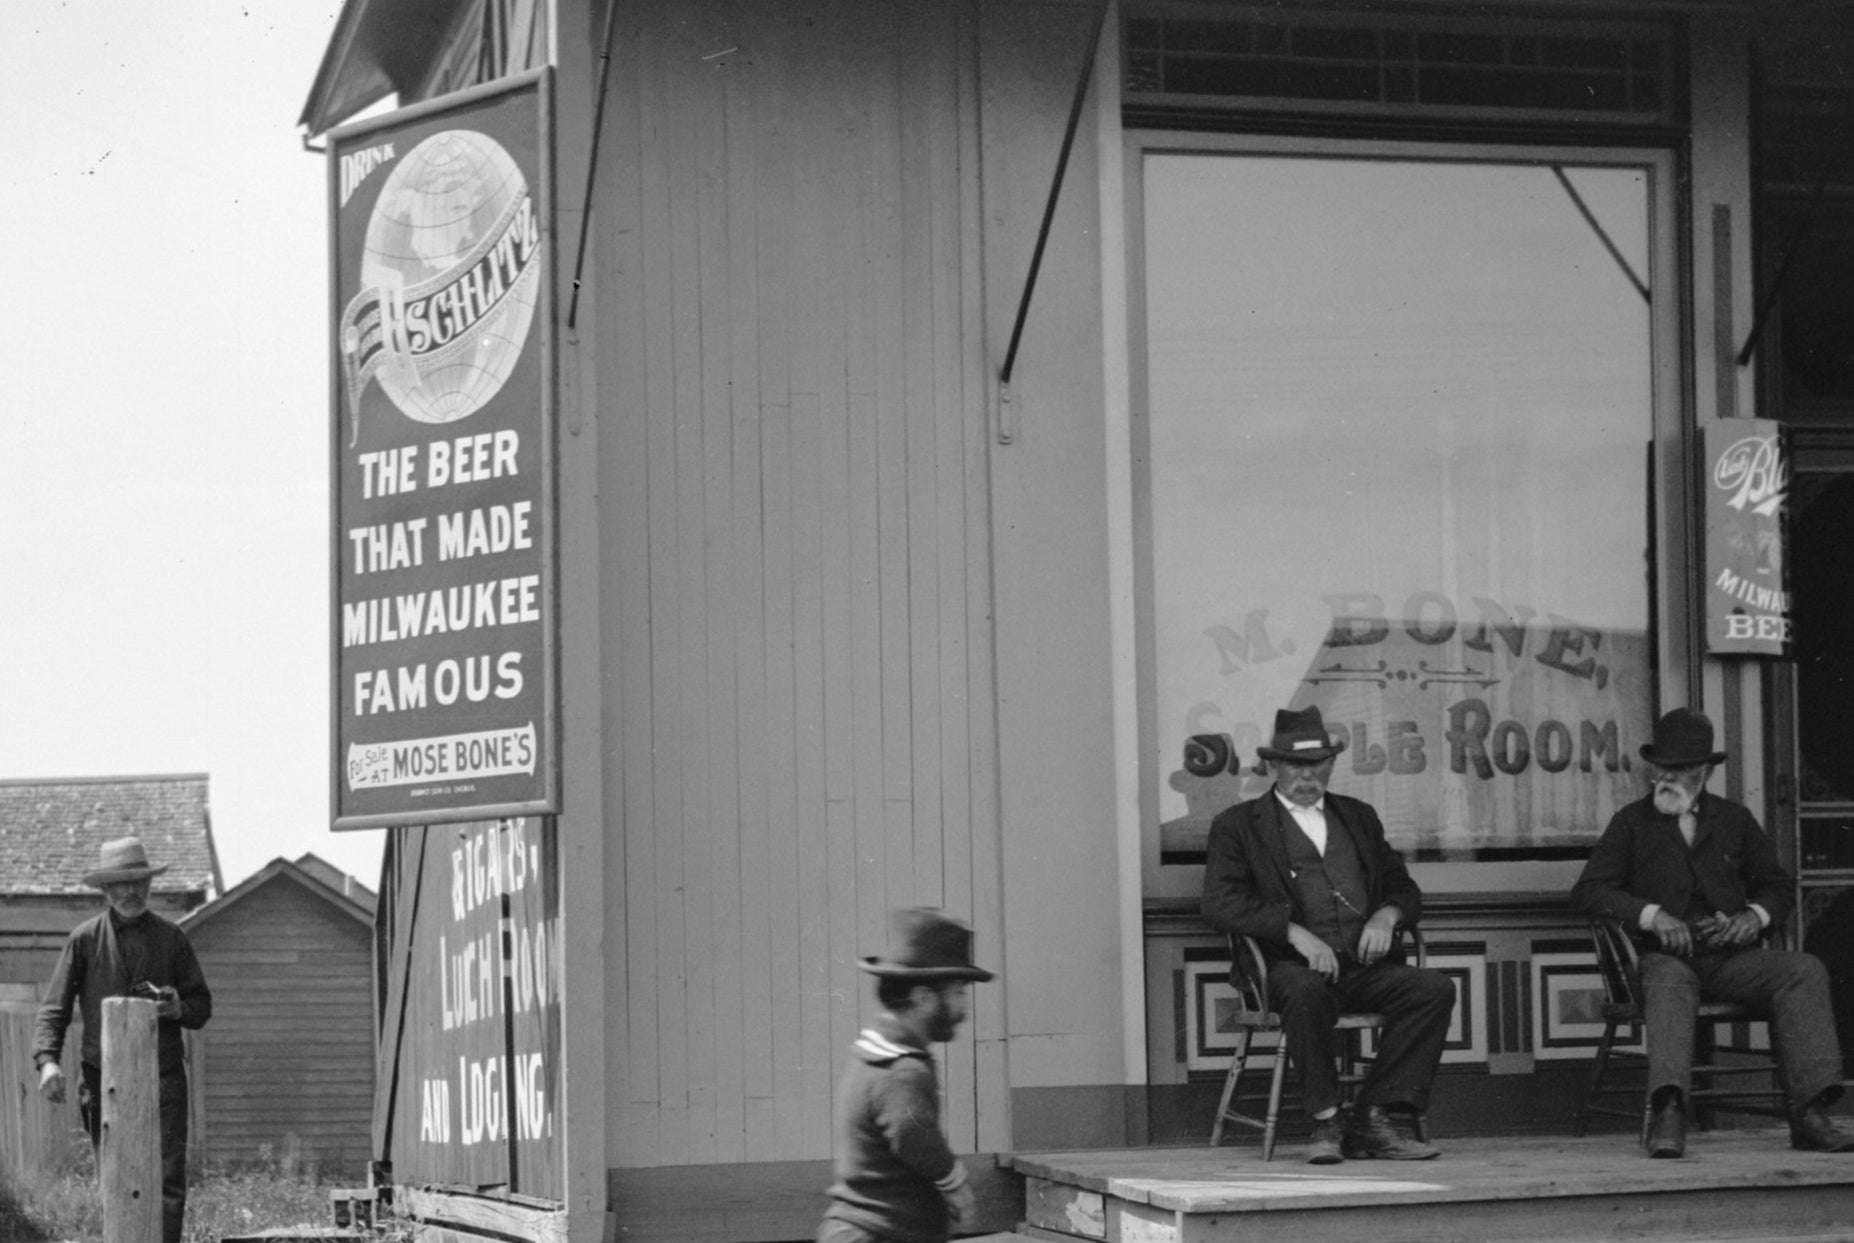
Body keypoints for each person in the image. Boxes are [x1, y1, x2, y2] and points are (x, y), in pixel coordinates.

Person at [1571, 707, 1854, 1158]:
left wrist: (1752, 918)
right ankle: (1668, 1111)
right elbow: (1589, 892)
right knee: (1669, 982)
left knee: (1803, 970)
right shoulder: (1631, 823)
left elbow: (1777, 887)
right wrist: (1651, 915)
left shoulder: (1734, 820)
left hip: (1728, 960)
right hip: (1659, 959)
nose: (1666, 776)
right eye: (1661, 766)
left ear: (1704, 771)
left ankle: (1810, 1115)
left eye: (1679, 768)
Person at [1202, 705, 1454, 1163]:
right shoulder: (1239, 826)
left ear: (1331, 765)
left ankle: (1373, 1118)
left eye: (1317, 765)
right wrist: (1293, 931)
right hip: (1287, 969)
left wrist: (1387, 916)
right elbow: (1220, 903)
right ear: (1273, 767)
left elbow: (1403, 887)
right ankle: (1325, 1122)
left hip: (1364, 968)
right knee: (1303, 990)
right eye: (1296, 765)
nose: (1307, 775)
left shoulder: (1358, 817)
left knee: (1433, 989)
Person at [35, 837, 213, 1243]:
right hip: (102, 1082)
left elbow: (202, 1005)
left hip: (163, 1078)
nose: (132, 892)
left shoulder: (172, 939)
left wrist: (177, 1008)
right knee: (115, 1180)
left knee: (167, 1183)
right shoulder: (84, 941)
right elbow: (53, 1008)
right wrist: (47, 1061)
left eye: (139, 882)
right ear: (105, 890)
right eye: (121, 884)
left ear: (150, 885)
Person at [820, 908, 994, 1243]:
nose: (964, 1009)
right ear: (924, 998)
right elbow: (913, 1136)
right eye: (958, 993)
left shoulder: (876, 1055)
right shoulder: (902, 1072)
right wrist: (956, 1186)